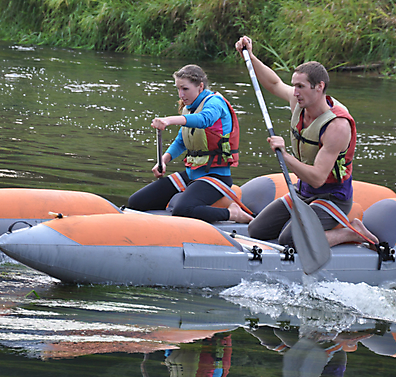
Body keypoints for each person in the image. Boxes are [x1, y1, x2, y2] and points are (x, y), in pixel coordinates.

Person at [234, 36, 378, 247]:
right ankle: (309, 224)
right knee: (256, 229)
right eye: (294, 86)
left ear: (319, 87)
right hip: (303, 192)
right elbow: (274, 84)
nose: (295, 92)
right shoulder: (298, 102)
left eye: (301, 86)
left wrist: (284, 156)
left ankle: (351, 232)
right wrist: (250, 56)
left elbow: (319, 178)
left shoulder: (337, 126)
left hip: (332, 198)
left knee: (290, 239)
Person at [127, 64, 253, 224]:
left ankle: (232, 214)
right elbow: (181, 141)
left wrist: (169, 120)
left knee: (183, 210)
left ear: (200, 86)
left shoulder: (215, 103)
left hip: (216, 176)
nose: (181, 94)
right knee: (136, 202)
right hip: (191, 174)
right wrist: (163, 161)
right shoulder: (189, 108)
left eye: (185, 89)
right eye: (178, 89)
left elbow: (204, 120)